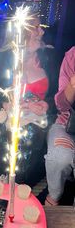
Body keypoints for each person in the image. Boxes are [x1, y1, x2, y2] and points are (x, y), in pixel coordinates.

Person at [0, 13, 56, 183]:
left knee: (27, 136)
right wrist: (4, 103)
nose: (41, 32)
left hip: (37, 122)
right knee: (8, 138)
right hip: (7, 119)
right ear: (22, 31)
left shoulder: (49, 58)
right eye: (36, 27)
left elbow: (58, 95)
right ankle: (2, 179)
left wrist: (46, 104)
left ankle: (18, 182)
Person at [45, 46, 75, 206]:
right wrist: (72, 85)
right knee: (59, 157)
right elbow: (61, 106)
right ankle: (54, 195)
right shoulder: (72, 55)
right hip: (67, 125)